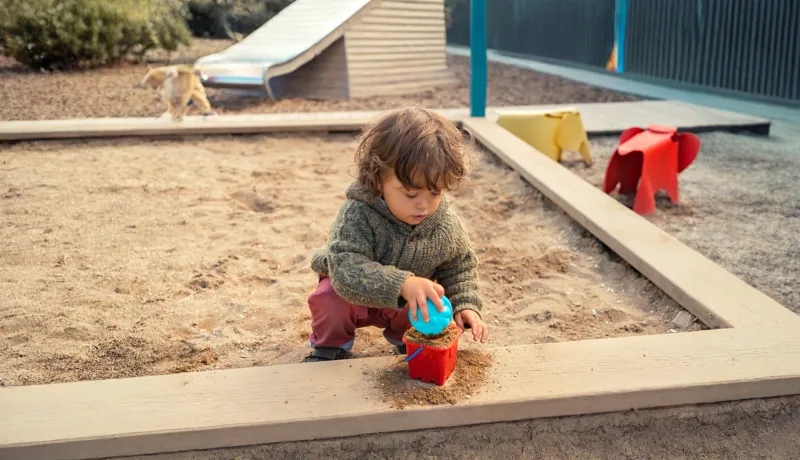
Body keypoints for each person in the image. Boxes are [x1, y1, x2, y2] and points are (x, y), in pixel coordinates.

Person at [305, 105, 489, 362]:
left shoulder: (444, 224)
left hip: (405, 306)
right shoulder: (357, 214)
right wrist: (403, 284)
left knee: (431, 300)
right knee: (328, 299)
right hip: (351, 297)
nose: (423, 205)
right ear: (379, 180)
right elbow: (346, 270)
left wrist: (465, 304)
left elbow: (459, 267)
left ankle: (406, 340)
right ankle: (331, 346)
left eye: (435, 192)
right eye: (411, 193)